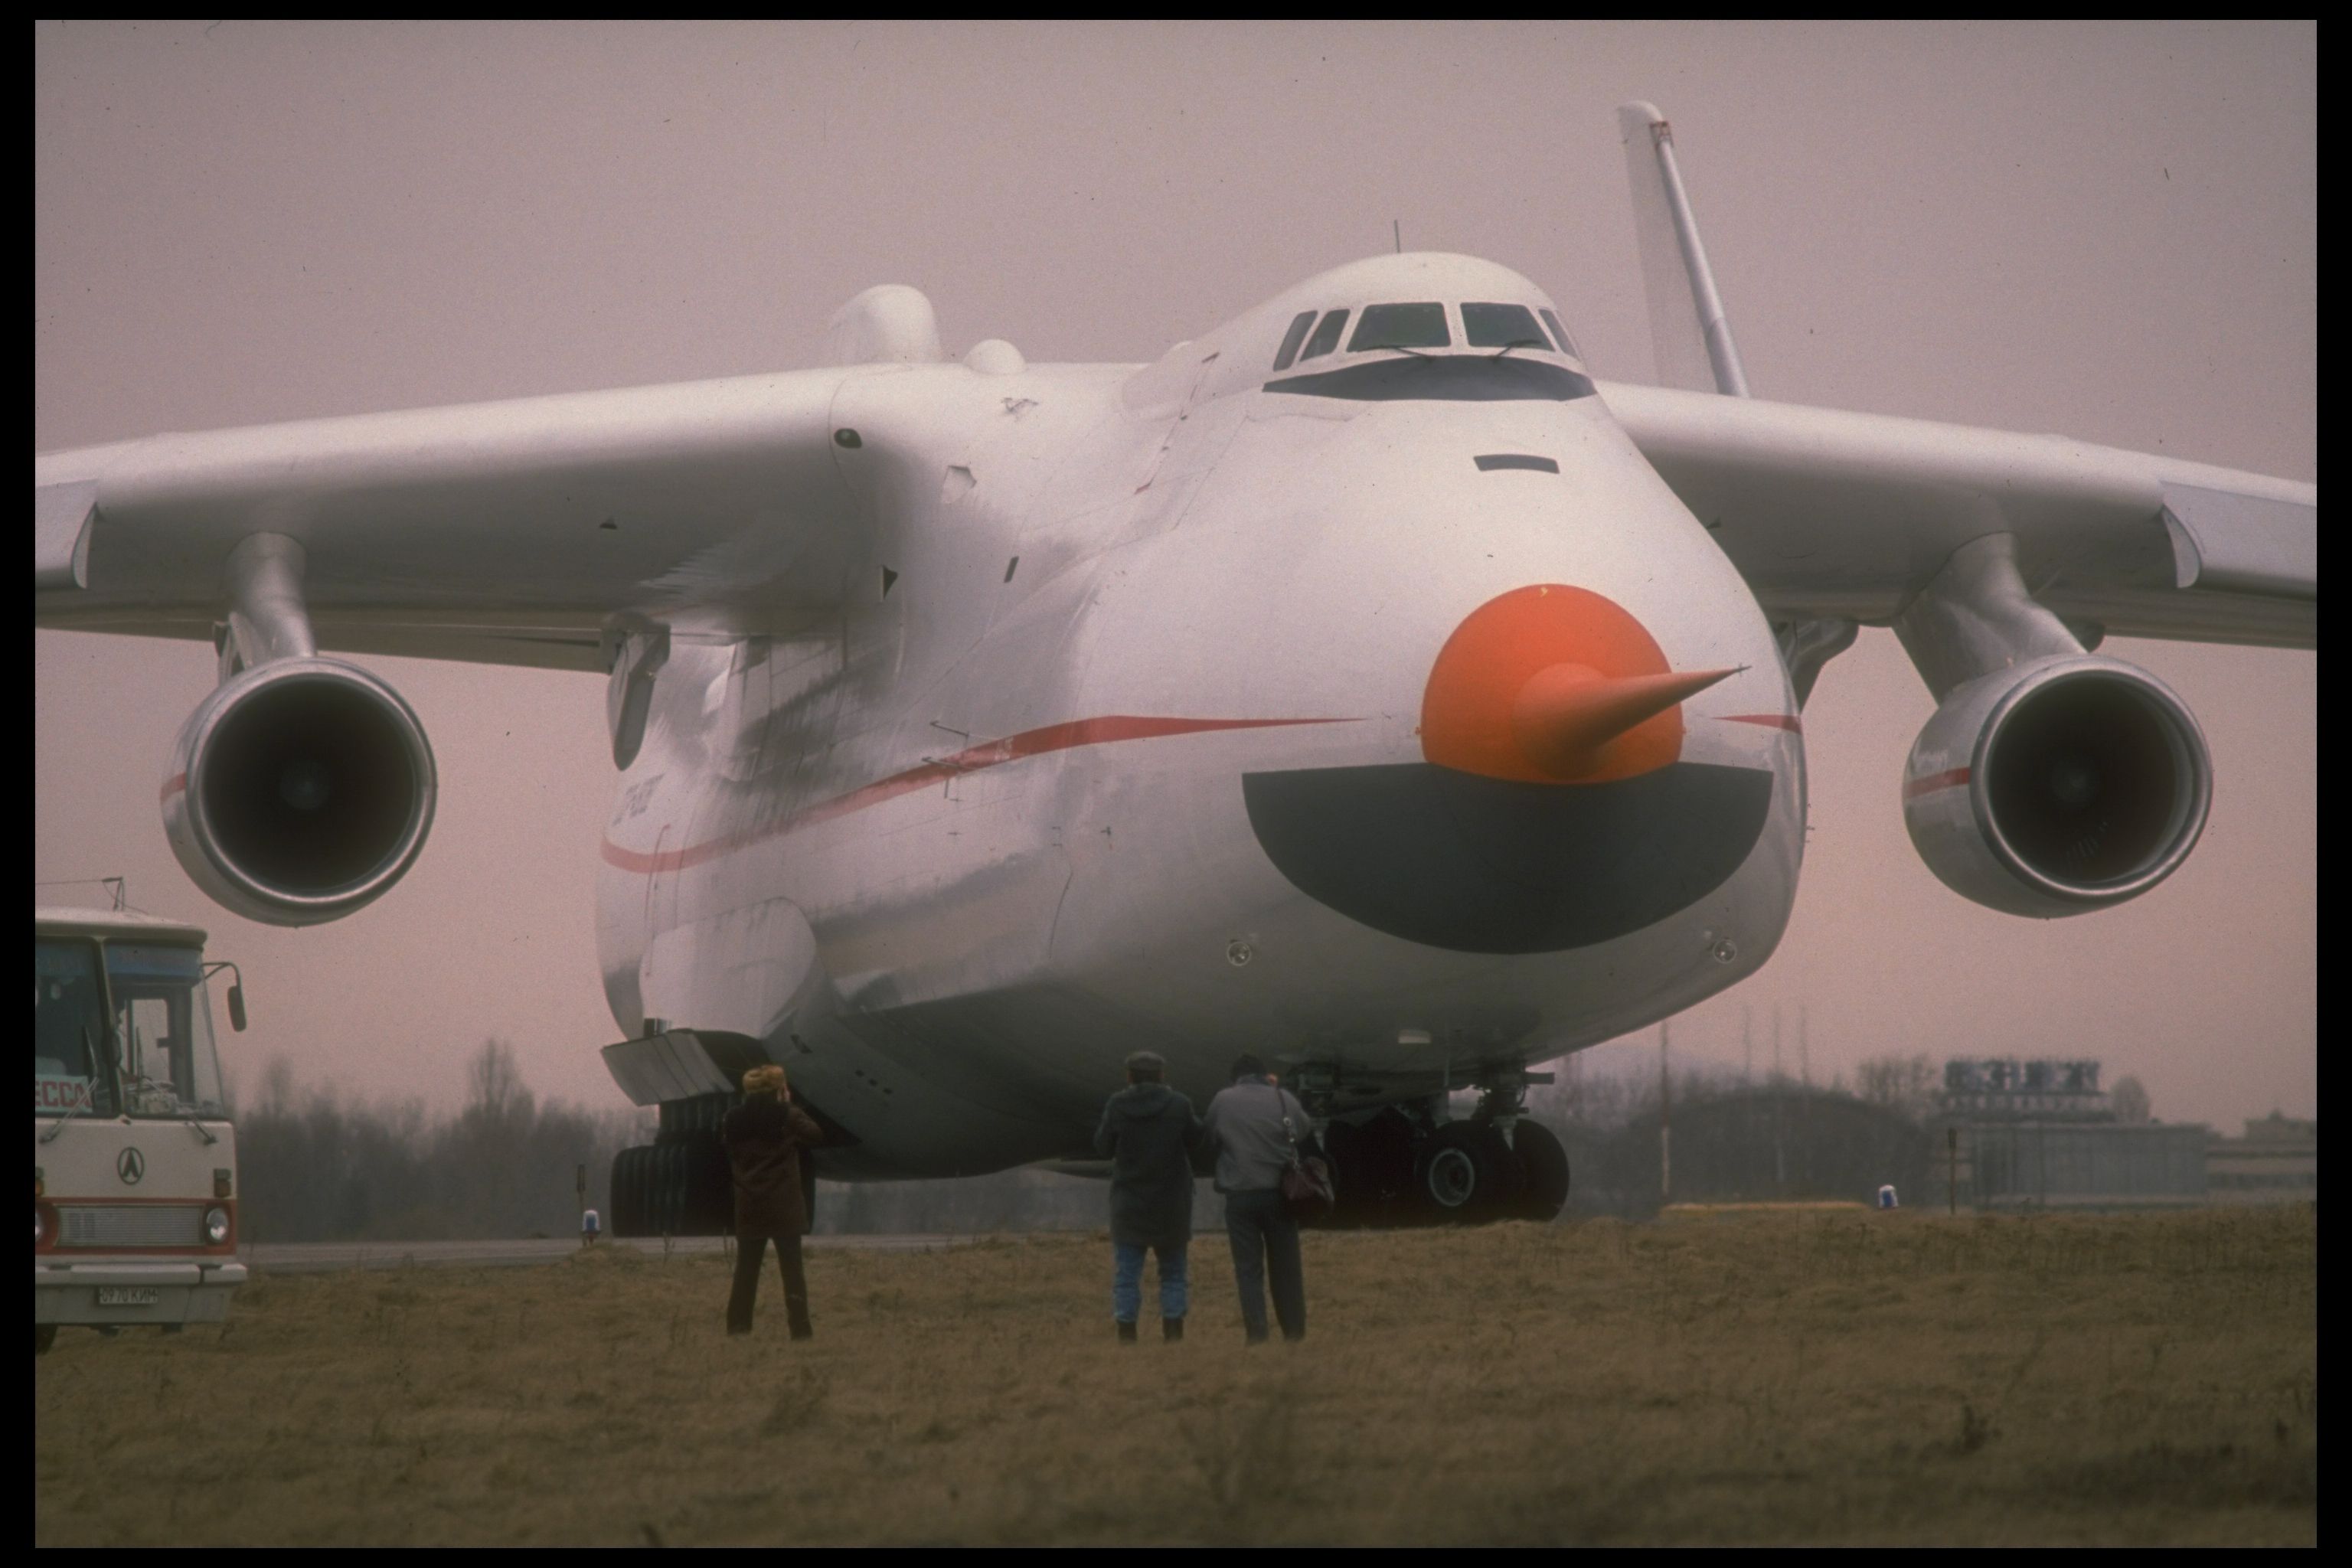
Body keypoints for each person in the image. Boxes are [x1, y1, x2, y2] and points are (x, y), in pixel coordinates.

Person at [1200, 1054, 1318, 1343]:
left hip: (1240, 1197)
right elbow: (1304, 1128)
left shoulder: (1223, 1100)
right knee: (1286, 1267)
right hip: (1280, 1195)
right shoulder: (1282, 1098)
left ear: (1235, 1078)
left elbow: (1208, 1138)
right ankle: (1294, 1332)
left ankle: (1257, 1333)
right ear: (1266, 1075)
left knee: (1248, 1270)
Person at [1092, 1050, 1201, 1344]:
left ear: (1129, 1077)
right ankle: (1174, 1333)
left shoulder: (1117, 1105)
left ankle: (1127, 1334)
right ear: (1162, 1076)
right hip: (1172, 1203)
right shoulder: (1179, 1104)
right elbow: (1197, 1140)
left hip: (1130, 1202)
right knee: (1174, 1273)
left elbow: (1102, 1147)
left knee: (1127, 1275)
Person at [720, 1063, 824, 1338]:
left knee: (746, 1270)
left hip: (749, 1204)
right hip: (783, 1205)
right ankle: (800, 1330)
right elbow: (816, 1134)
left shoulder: (732, 1118)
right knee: (792, 1271)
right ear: (780, 1089)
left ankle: (738, 1327)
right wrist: (790, 1107)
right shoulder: (788, 1116)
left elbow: (728, 1150)